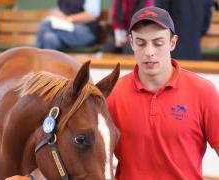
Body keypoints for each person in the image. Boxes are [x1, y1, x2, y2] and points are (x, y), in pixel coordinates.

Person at [107, 6, 219, 179]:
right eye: (141, 43)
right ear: (131, 42)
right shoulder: (113, 95)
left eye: (158, 43)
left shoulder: (203, 92)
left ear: (172, 43)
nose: (149, 52)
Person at [35, 0, 101, 50]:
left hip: (86, 32)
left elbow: (92, 15)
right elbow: (60, 11)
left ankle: (34, 56)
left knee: (46, 23)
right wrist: (57, 15)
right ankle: (48, 67)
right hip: (64, 30)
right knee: (49, 38)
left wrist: (68, 19)